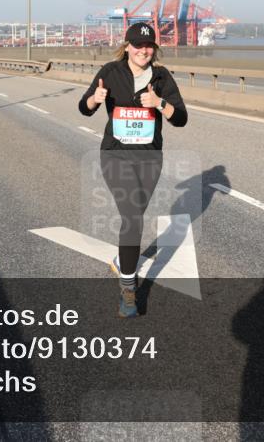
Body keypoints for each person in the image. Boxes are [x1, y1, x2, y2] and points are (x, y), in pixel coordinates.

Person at [78, 22, 187, 318]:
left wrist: (159, 102)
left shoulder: (162, 77)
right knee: (132, 216)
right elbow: (84, 107)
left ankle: (122, 259)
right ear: (127, 46)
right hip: (116, 155)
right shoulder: (110, 72)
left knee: (135, 214)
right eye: (138, 45)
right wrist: (95, 99)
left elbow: (181, 118)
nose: (144, 50)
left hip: (150, 158)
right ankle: (129, 289)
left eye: (149, 45)